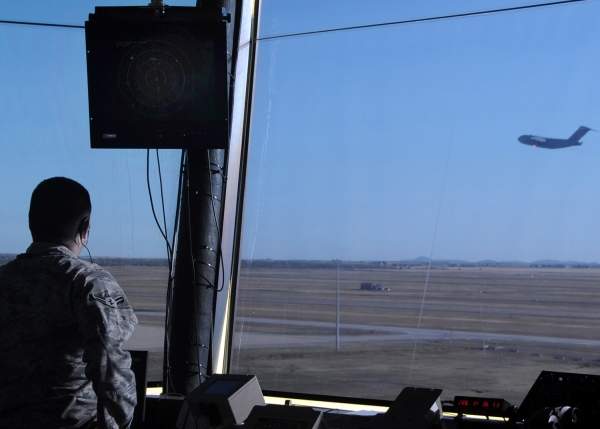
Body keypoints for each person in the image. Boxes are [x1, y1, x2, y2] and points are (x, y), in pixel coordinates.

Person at [0, 177, 138, 429]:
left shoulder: (4, 278)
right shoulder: (87, 282)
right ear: (85, 228)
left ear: (31, 223)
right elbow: (110, 367)